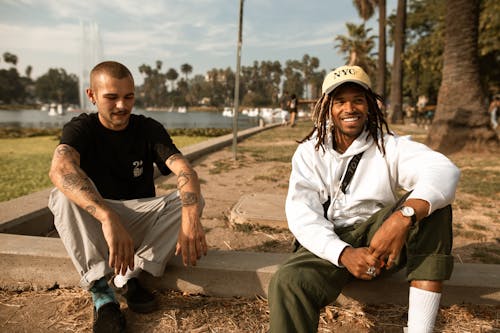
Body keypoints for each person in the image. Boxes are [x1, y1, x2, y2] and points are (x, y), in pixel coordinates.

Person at [268, 65, 460, 333]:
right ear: (327, 107)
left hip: (379, 241)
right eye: (340, 101)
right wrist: (343, 253)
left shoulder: (388, 145)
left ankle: (420, 329)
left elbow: (445, 171)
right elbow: (302, 214)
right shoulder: (309, 152)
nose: (350, 108)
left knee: (433, 206)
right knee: (287, 281)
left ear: (370, 105)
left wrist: (402, 217)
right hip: (327, 244)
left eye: (358, 100)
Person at [48, 61, 207, 333]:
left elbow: (184, 171)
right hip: (99, 222)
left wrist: (191, 217)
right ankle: (102, 294)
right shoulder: (82, 128)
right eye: (112, 97)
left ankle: (128, 276)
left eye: (128, 96)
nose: (122, 105)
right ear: (92, 95)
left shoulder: (147, 128)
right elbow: (60, 169)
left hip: (138, 220)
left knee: (191, 199)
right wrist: (107, 216)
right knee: (61, 195)